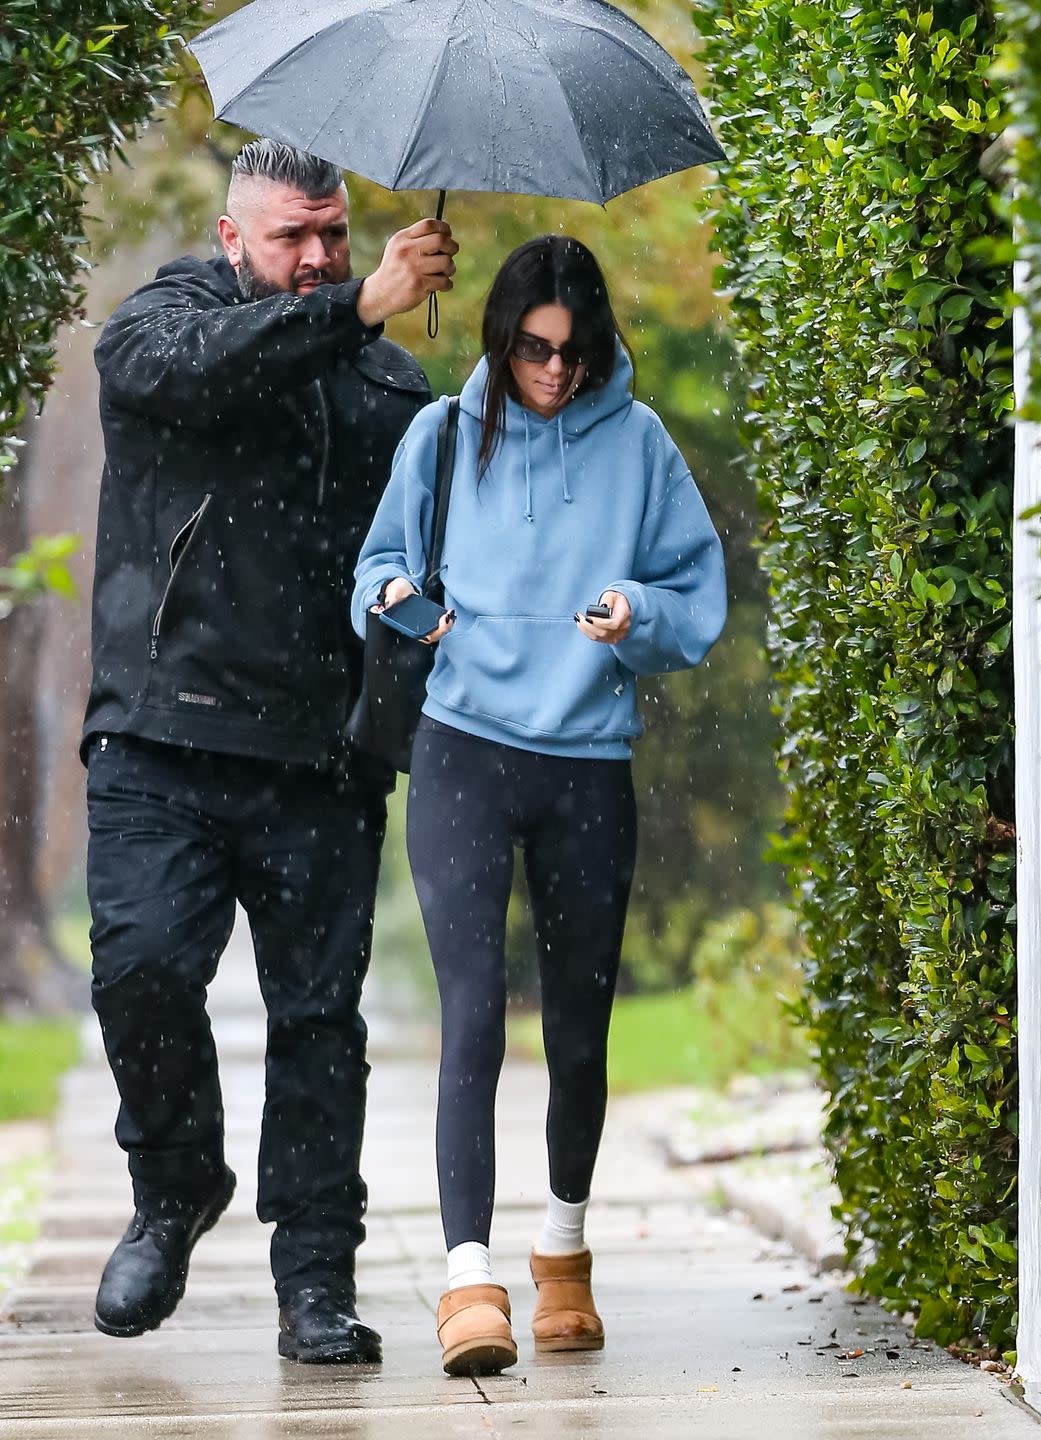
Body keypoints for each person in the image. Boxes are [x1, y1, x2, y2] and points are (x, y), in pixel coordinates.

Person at [83, 138, 458, 1364]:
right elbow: (187, 370)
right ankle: (175, 1185)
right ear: (234, 238)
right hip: (157, 732)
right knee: (141, 970)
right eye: (293, 237)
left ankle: (316, 1283)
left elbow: (420, 569)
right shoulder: (167, 325)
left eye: (335, 235)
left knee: (318, 1025)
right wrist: (350, 309)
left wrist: (386, 722)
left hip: (314, 758)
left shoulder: (390, 387)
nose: (317, 259)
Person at [351, 235, 726, 1375]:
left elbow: (693, 594)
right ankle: (470, 1281)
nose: (555, 372)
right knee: (473, 1015)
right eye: (533, 349)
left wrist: (634, 614)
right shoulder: (445, 435)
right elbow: (376, 575)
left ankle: (562, 1255)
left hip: (587, 764)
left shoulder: (642, 444)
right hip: (464, 752)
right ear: (501, 338)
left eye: (573, 351)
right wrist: (420, 613)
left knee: (577, 1026)